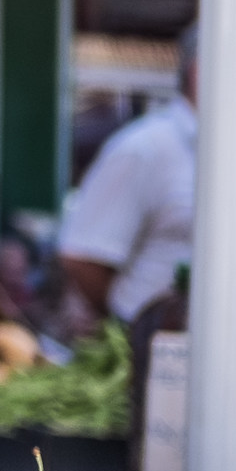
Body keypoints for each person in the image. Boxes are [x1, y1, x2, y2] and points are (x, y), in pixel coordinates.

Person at [59, 26, 197, 326]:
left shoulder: (234, 156)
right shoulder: (145, 148)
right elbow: (83, 256)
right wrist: (128, 331)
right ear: (199, 71)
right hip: (144, 349)